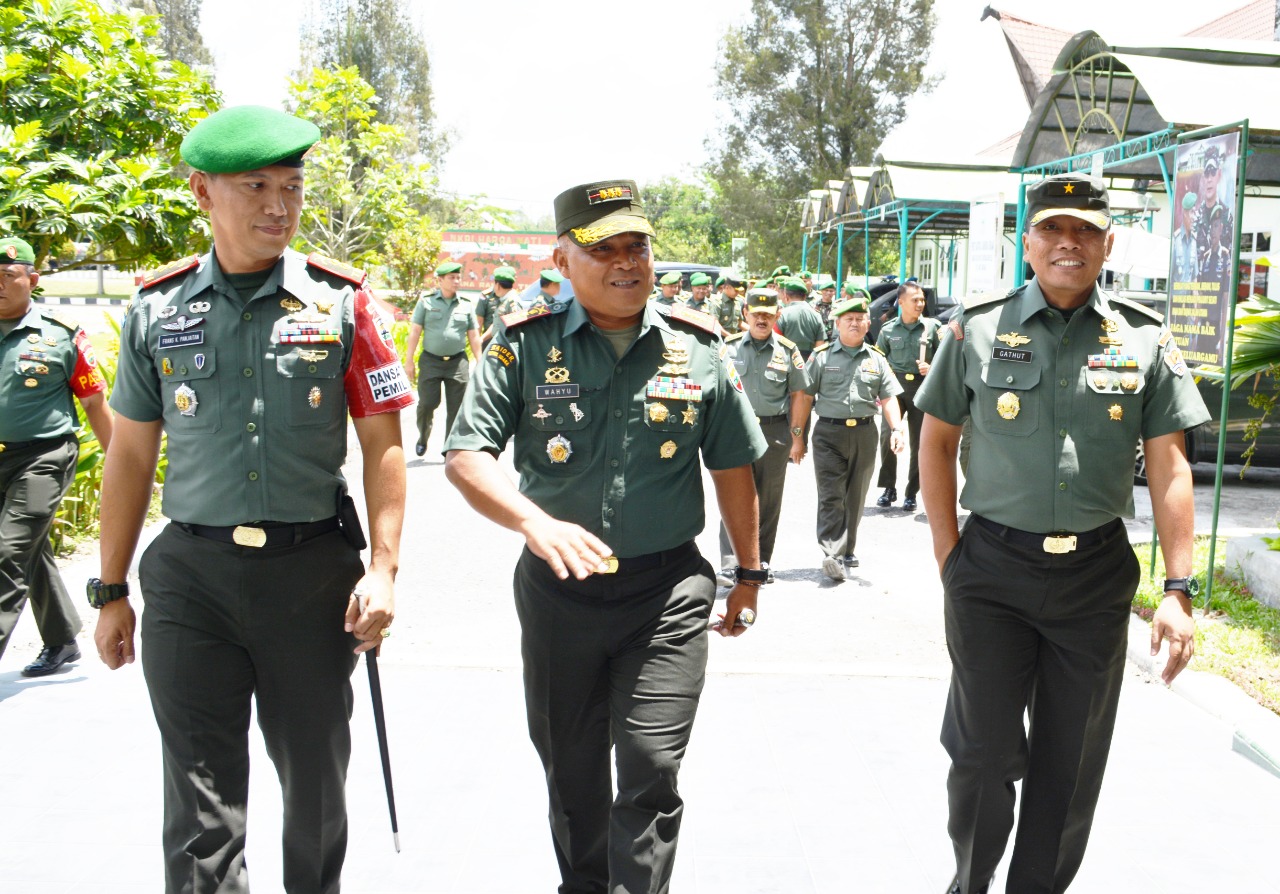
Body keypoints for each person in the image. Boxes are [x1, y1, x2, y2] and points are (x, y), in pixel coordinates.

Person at [92, 105, 413, 894]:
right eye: (257, 185)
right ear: (203, 193)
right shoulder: (155, 310)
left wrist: (385, 568)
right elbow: (131, 456)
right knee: (199, 802)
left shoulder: (344, 304)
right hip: (189, 581)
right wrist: (111, 588)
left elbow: (383, 444)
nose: (280, 204)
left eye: (292, 186)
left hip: (310, 581)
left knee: (314, 785)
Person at [443, 178, 768, 894]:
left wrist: (748, 572)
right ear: (561, 259)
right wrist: (534, 522)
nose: (628, 263)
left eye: (638, 247)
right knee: (572, 766)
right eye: (605, 250)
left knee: (652, 762)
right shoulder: (522, 347)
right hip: (561, 592)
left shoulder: (700, 348)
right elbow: (466, 455)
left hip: (668, 591)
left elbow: (735, 470)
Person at [915, 173, 1209, 894]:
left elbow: (1170, 468)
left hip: (1094, 575)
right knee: (982, 755)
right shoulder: (978, 327)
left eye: (1084, 231)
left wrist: (1178, 588)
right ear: (1028, 242)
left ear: (1108, 243)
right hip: (991, 570)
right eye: (1052, 229)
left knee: (1069, 764)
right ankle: (970, 882)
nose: (1067, 244)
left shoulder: (1142, 337)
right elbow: (936, 442)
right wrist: (951, 557)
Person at [0, 235, 113, 676]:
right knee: (30, 550)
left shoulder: (60, 336)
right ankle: (62, 639)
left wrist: (125, 467)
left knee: (7, 552)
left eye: (7, 275)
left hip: (43, 456)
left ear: (32, 278)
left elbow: (93, 404)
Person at [804, 293, 904, 580]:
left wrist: (896, 429)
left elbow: (888, 398)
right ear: (837, 323)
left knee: (856, 495)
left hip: (864, 433)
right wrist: (797, 434)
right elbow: (804, 396)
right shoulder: (821, 357)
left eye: (860, 319)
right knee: (831, 494)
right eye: (849, 319)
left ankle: (847, 549)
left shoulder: (877, 359)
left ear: (868, 323)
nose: (855, 324)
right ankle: (831, 553)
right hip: (828, 432)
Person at [716, 288, 811, 585]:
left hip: (775, 432)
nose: (761, 319)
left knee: (768, 499)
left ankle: (760, 560)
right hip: (736, 431)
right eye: (756, 314)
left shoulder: (788, 350)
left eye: (768, 315)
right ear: (745, 314)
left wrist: (797, 435)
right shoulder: (727, 348)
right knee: (733, 494)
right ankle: (731, 563)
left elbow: (799, 394)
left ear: (777, 317)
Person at [873, 280, 942, 512]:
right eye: (915, 300)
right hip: (894, 388)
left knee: (919, 443)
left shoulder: (931, 328)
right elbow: (878, 362)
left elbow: (945, 360)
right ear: (901, 302)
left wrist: (931, 368)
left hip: (923, 389)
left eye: (922, 299)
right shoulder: (888, 330)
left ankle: (911, 493)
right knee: (887, 437)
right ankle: (888, 487)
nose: (920, 304)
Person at [404, 260, 482, 457]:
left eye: (458, 277)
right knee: (427, 403)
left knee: (457, 408)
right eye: (452, 278)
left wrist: (480, 362)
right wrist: (409, 360)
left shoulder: (466, 305)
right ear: (440, 280)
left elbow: (473, 336)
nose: (456, 281)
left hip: (457, 363)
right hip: (431, 361)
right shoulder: (426, 301)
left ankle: (449, 446)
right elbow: (414, 332)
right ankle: (423, 436)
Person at [777, 277, 827, 359]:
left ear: (786, 295)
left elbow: (775, 343)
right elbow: (820, 348)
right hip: (809, 364)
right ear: (804, 296)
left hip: (787, 362)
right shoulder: (816, 315)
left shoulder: (781, 314)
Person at [476, 264, 518, 343]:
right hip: (490, 339)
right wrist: (479, 340)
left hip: (504, 342)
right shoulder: (486, 295)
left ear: (498, 285)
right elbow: (480, 320)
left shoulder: (512, 300)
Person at [1171, 191, 1199, 285]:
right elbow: (1170, 275)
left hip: (1189, 299)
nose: (1194, 217)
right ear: (1185, 213)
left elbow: (1194, 277)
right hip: (1176, 298)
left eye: (1195, 213)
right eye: (1192, 213)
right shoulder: (1175, 240)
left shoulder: (1194, 241)